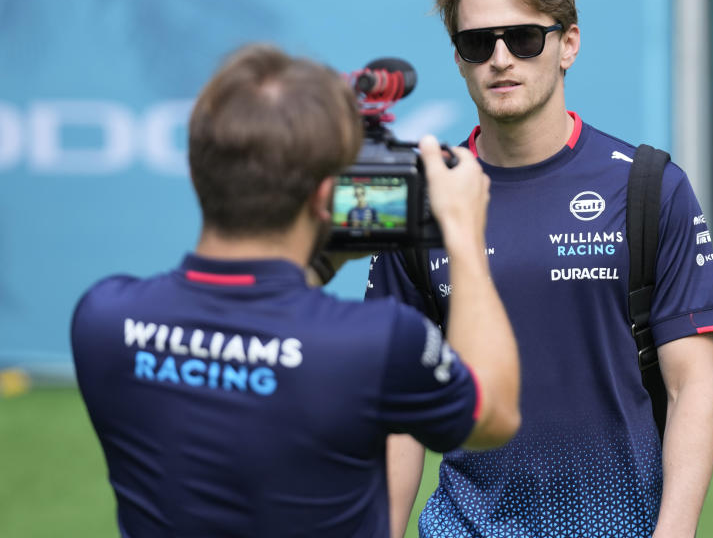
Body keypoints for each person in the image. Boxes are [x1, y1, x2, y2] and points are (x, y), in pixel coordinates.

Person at [70, 44, 521, 537]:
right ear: (328, 198)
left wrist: (315, 253)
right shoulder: (378, 343)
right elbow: (494, 413)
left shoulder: (103, 319)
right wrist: (464, 237)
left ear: (199, 170)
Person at [366, 0, 713, 538]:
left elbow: (692, 386)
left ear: (568, 45)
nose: (501, 59)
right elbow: (399, 406)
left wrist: (675, 530)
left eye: (524, 38)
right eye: (478, 43)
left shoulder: (649, 187)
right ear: (459, 58)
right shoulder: (425, 200)